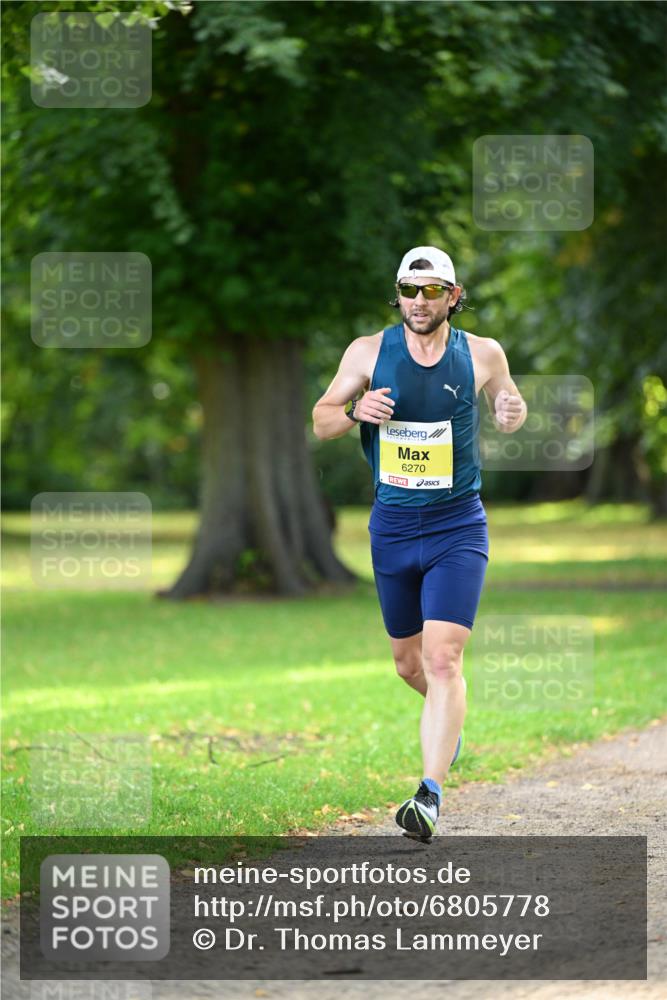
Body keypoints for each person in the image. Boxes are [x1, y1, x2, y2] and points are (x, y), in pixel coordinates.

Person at [312, 246, 527, 842]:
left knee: (442, 659)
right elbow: (322, 419)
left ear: (453, 296)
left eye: (433, 292)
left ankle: (428, 795)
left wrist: (512, 408)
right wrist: (357, 408)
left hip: (458, 525)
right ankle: (448, 724)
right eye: (410, 290)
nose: (419, 301)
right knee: (409, 664)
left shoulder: (482, 353)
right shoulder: (368, 352)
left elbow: (508, 405)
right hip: (394, 527)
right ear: (399, 295)